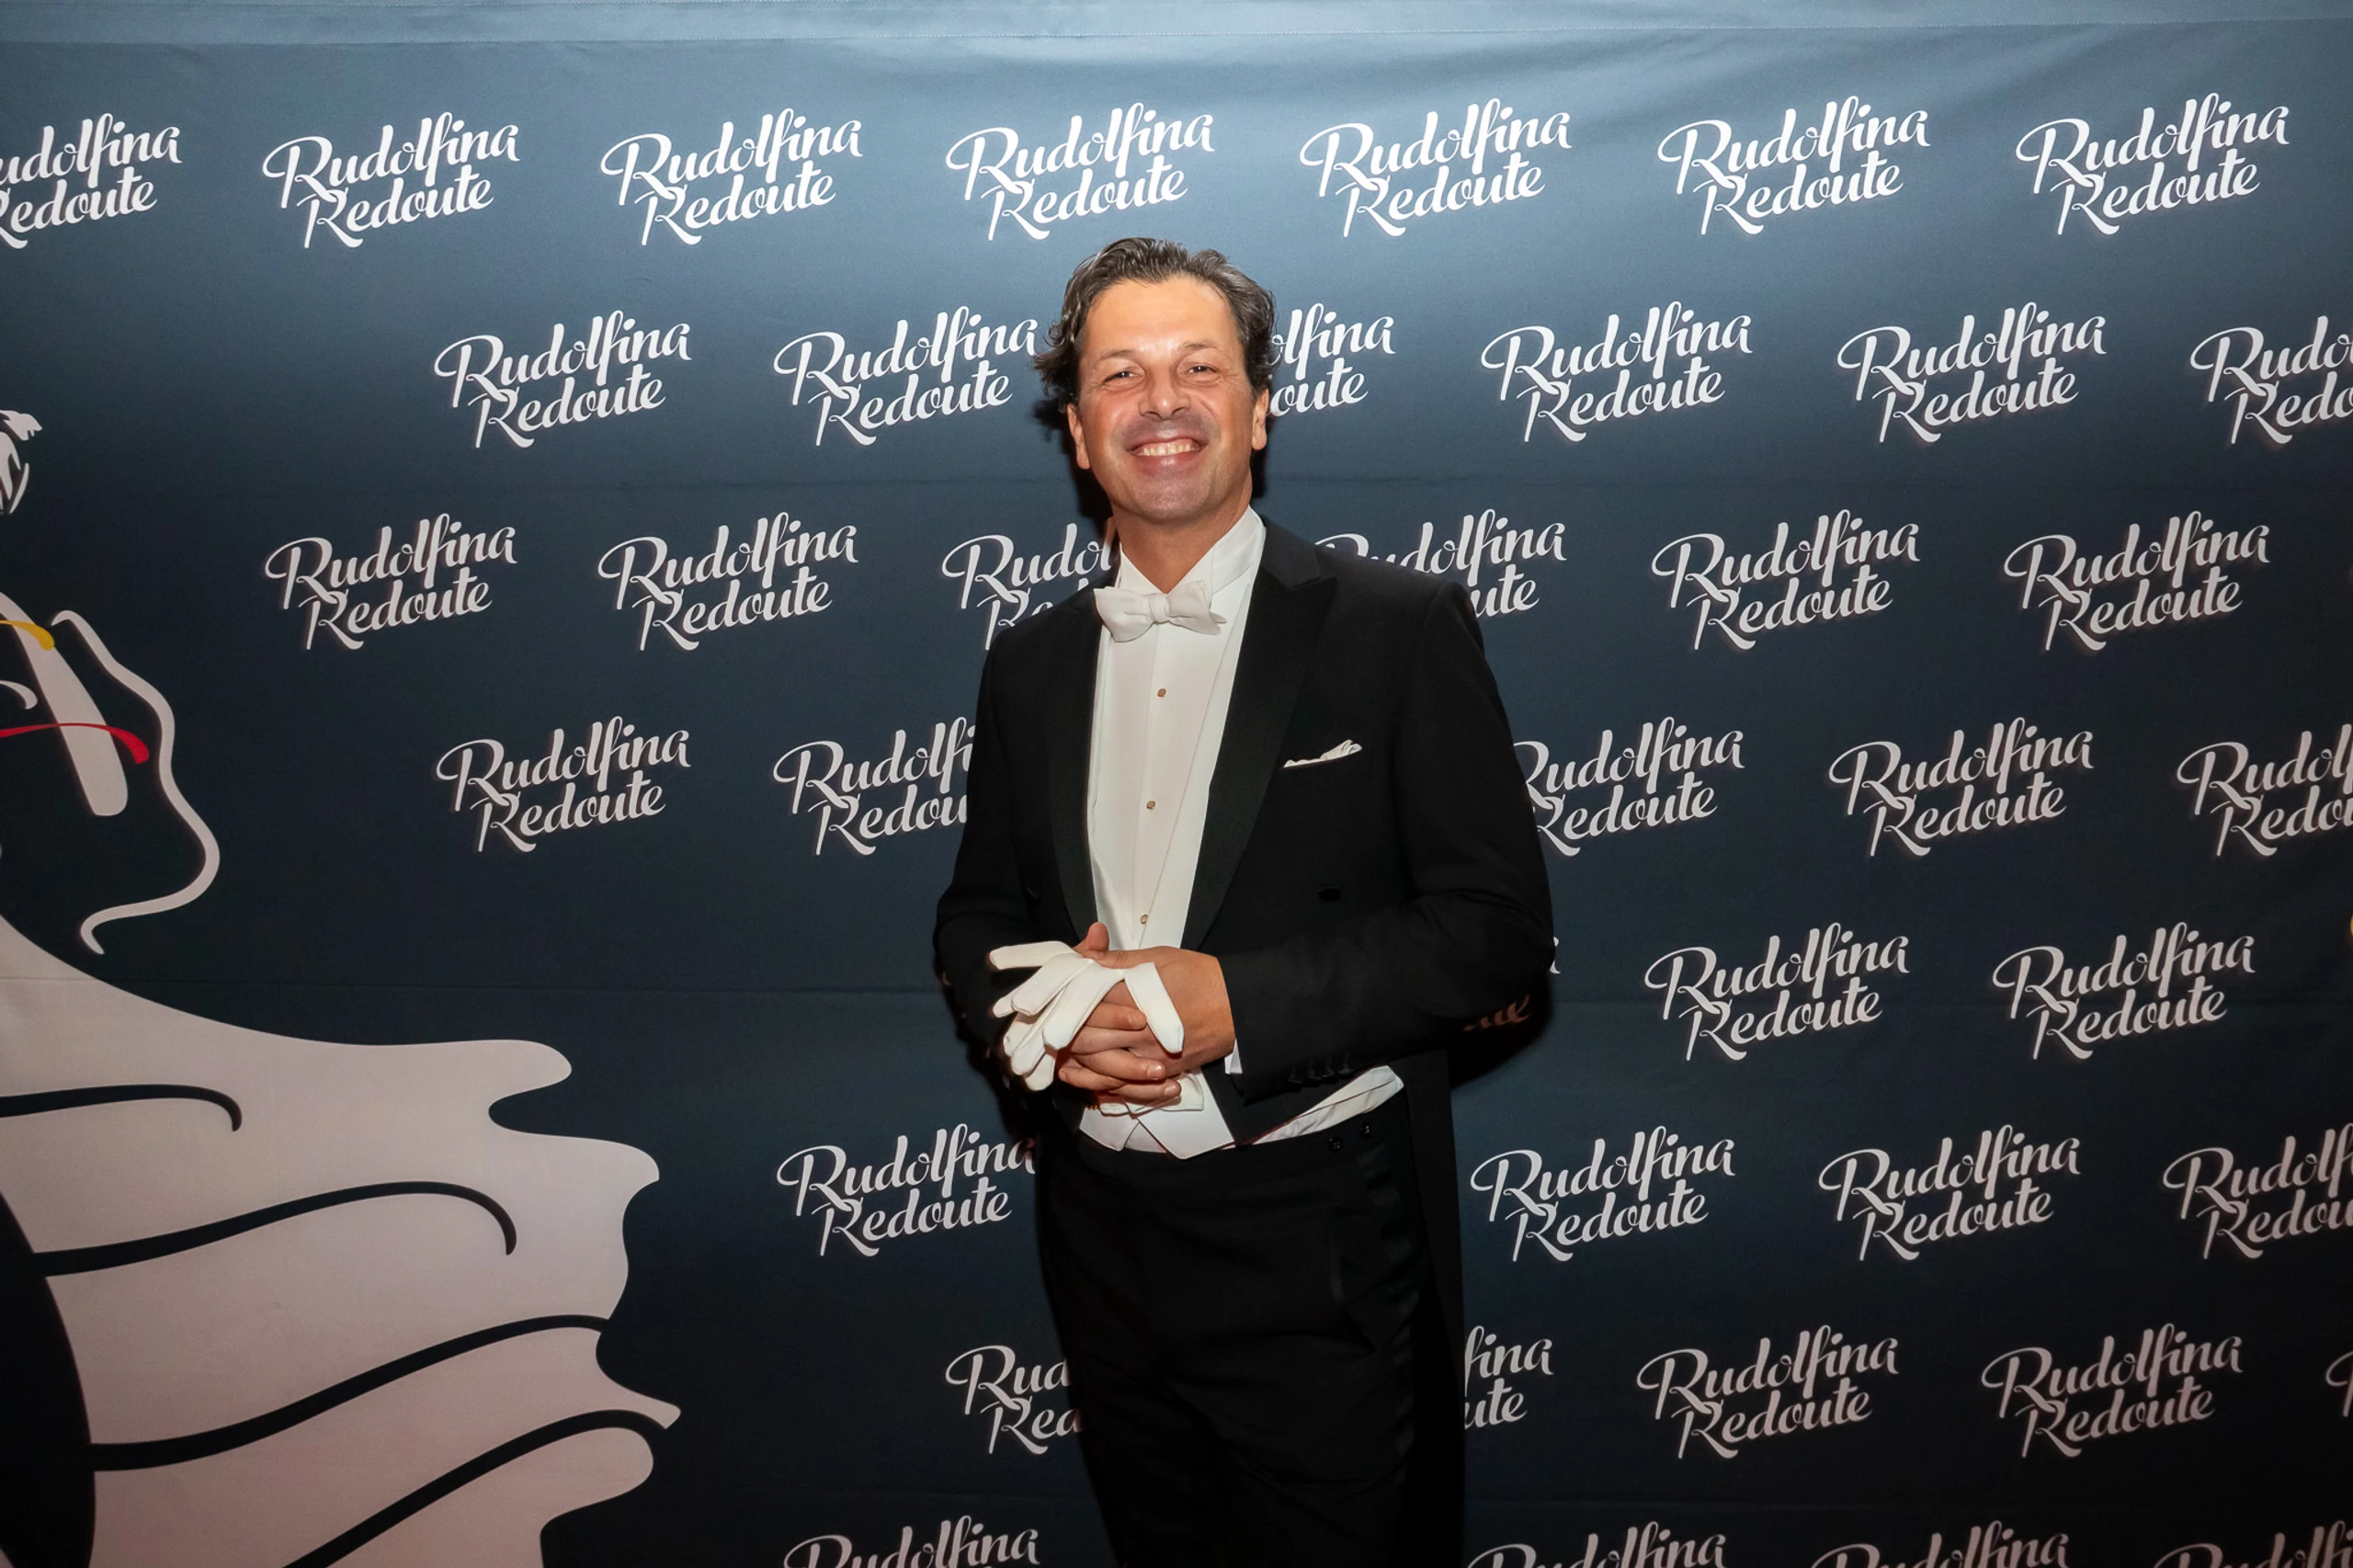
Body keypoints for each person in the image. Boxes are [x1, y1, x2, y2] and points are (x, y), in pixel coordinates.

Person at [933, 237, 1551, 1566]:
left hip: (1315, 1236)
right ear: (1079, 432)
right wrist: (1040, 1028)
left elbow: (1497, 930)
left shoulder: (1395, 626)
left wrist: (1239, 1003)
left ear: (1259, 409)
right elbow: (976, 916)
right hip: (1098, 1230)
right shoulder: (1028, 663)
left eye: (1198, 368)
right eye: (1120, 375)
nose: (1161, 401)